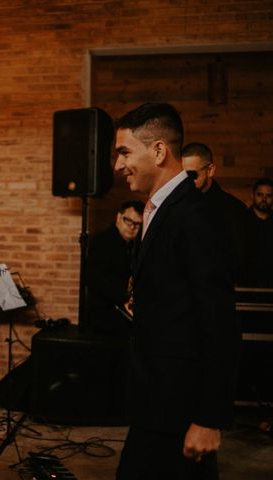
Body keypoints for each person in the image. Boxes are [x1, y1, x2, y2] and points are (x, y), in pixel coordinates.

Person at [113, 102, 240, 480]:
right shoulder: (157, 208)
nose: (117, 166)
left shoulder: (196, 215)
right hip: (157, 398)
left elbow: (219, 321)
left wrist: (208, 418)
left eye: (124, 152)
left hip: (182, 405)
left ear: (158, 151)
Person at [181, 142, 249, 283]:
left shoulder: (234, 209)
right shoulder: (177, 205)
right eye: (182, 176)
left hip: (216, 294)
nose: (186, 181)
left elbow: (240, 260)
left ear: (210, 170)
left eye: (192, 175)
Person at [85, 200, 144, 336]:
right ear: (118, 217)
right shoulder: (101, 242)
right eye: (128, 221)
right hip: (106, 316)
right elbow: (93, 280)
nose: (132, 227)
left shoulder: (133, 246)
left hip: (122, 310)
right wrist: (128, 296)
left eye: (137, 224)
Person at [244, 177, 273, 287]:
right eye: (260, 194)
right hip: (246, 283)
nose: (264, 199)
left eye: (268, 195)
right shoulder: (241, 220)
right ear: (252, 195)